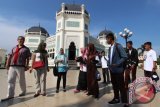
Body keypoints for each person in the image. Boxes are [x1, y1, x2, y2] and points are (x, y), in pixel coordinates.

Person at [1, 36, 31, 101]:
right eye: (19, 39)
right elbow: (9, 56)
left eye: (22, 40)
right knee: (10, 80)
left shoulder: (26, 49)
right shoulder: (13, 48)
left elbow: (28, 58)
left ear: (24, 41)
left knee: (21, 80)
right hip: (12, 66)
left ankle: (23, 91)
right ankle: (10, 95)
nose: (20, 41)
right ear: (17, 40)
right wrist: (7, 64)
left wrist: (27, 65)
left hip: (21, 66)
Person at [106, 32, 128, 107]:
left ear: (111, 39)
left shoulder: (118, 46)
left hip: (118, 70)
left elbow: (124, 57)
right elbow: (110, 58)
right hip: (112, 70)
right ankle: (116, 98)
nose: (106, 41)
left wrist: (117, 63)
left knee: (121, 86)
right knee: (114, 85)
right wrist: (108, 65)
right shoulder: (109, 48)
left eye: (107, 39)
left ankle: (125, 102)